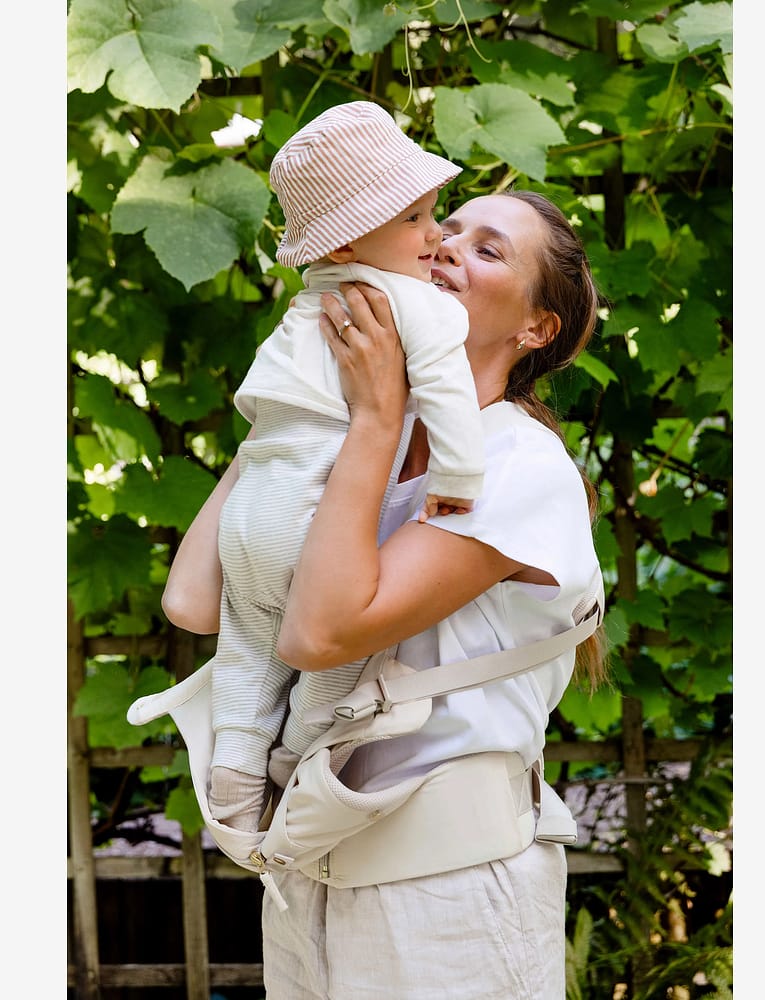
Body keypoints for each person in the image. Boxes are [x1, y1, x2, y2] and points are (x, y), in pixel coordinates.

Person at [160, 187, 607, 999]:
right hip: (307, 884)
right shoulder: (355, 440)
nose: (444, 246)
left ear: (535, 328)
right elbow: (192, 600)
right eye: (447, 227)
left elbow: (321, 636)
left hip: (452, 898)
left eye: (488, 248)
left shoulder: (519, 465)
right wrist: (298, 414)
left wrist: (371, 419)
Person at [203, 101, 485, 828]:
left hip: (247, 516)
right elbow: (448, 392)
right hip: (310, 519)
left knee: (247, 650)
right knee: (338, 662)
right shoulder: (413, 306)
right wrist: (455, 481)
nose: (436, 236)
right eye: (416, 220)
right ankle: (297, 767)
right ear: (353, 236)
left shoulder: (311, 302)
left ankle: (232, 783)